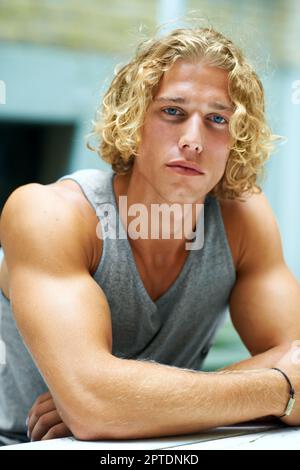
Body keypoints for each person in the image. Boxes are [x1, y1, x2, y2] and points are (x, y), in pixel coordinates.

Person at [0, 26, 299, 446]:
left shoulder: (243, 219)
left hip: (174, 445)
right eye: (173, 112)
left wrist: (126, 404)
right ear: (134, 119)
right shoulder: (50, 214)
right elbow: (93, 409)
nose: (193, 140)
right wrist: (274, 387)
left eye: (218, 119)